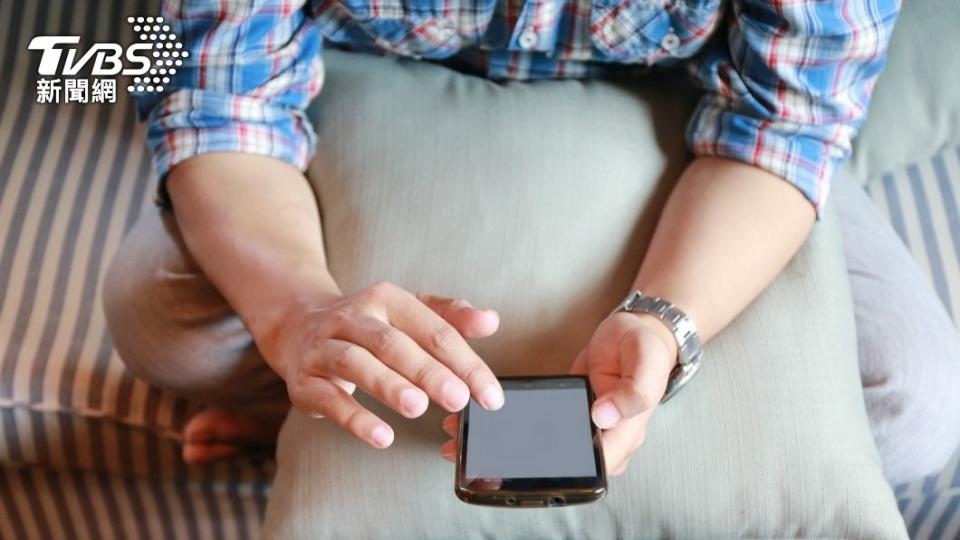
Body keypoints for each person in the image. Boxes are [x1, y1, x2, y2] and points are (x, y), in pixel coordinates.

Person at [102, 0, 960, 488]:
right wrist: (296, 313)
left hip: (695, 103)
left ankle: (609, 439)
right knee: (160, 320)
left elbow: (790, 121)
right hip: (358, 82)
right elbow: (218, 100)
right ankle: (307, 404)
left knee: (915, 403)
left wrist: (665, 324)